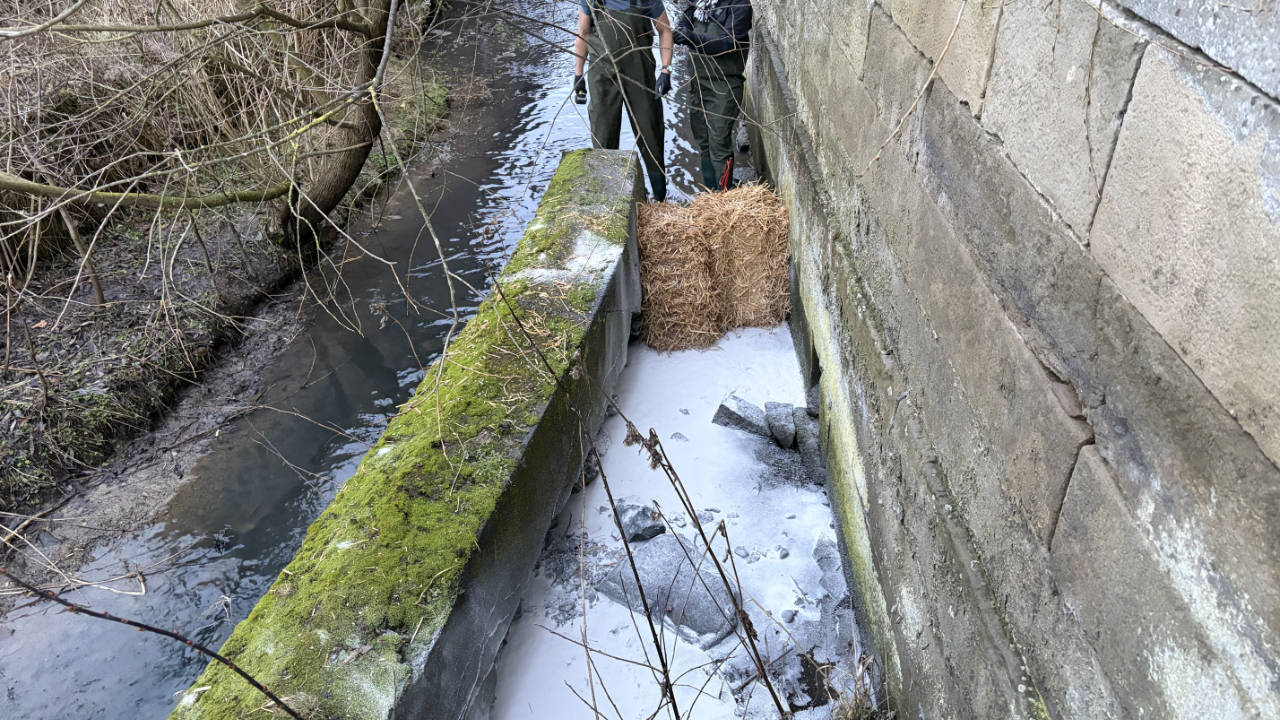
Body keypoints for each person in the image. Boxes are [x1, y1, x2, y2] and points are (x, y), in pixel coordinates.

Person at [573, 0, 675, 202]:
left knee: (651, 133)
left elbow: (665, 30)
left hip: (640, 73)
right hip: (602, 75)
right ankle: (609, 200)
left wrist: (666, 70)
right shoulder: (592, 1)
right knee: (603, 137)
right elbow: (583, 33)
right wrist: (578, 75)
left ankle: (661, 200)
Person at [674, 0, 753, 191]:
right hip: (698, 83)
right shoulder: (701, 2)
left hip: (723, 86)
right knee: (703, 142)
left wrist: (692, 38)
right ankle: (710, 193)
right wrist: (681, 31)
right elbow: (684, 19)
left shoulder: (740, 6)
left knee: (719, 144)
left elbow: (727, 42)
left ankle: (723, 196)